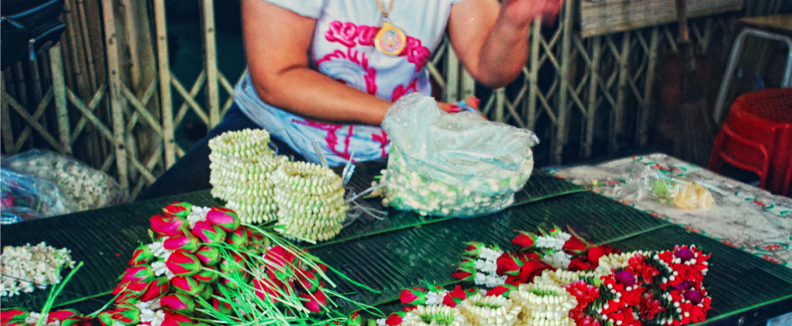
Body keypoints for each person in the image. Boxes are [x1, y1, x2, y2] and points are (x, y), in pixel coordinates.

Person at [141, 0, 563, 200]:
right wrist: (404, 114)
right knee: (152, 231)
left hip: (392, 156)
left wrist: (513, 20)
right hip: (277, 136)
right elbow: (276, 78)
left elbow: (492, 70)